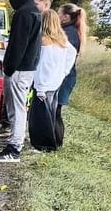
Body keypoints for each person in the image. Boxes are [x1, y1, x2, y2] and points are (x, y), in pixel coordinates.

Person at [0, 0, 42, 163]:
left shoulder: (24, 13)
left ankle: (14, 149)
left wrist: (9, 67)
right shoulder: (33, 11)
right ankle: (14, 141)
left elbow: (19, 44)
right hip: (26, 67)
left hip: (19, 69)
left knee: (18, 108)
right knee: (16, 107)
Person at [28, 10, 77, 151]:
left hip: (43, 84)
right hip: (55, 83)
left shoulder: (44, 42)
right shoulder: (62, 40)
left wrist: (40, 87)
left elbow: (42, 66)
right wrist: (64, 72)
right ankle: (53, 142)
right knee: (52, 114)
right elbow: (72, 53)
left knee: (41, 118)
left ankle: (43, 145)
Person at [57, 3, 86, 106]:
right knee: (54, 112)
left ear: (66, 17)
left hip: (63, 77)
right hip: (67, 76)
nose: (57, 16)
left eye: (59, 13)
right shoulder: (74, 31)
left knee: (55, 112)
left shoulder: (67, 34)